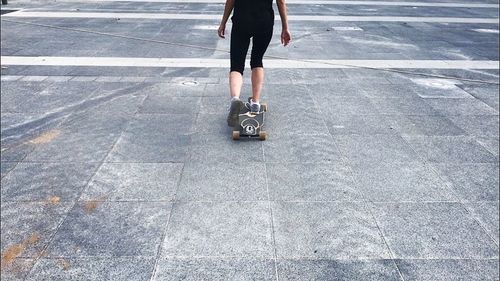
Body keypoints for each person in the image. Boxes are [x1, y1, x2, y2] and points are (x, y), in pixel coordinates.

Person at [218, 0, 291, 127]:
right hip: (264, 22)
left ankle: (235, 99)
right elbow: (281, 2)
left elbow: (230, 0)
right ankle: (255, 103)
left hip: (242, 20)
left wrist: (223, 22)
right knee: (257, 60)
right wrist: (285, 27)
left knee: (236, 65)